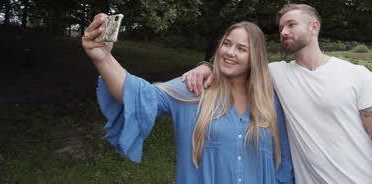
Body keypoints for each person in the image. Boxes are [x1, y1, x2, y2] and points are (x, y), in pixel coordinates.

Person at [183, 4, 372, 183]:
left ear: (314, 27)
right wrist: (206, 67)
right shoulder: (276, 73)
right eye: (281, 28)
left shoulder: (356, 75)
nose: (284, 32)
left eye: (291, 24)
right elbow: (235, 63)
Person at [82, 15, 294, 184]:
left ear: (254, 58)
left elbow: (283, 163)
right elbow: (140, 96)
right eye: (227, 44)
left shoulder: (269, 101)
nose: (229, 52)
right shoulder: (194, 89)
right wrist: (103, 59)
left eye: (241, 49)